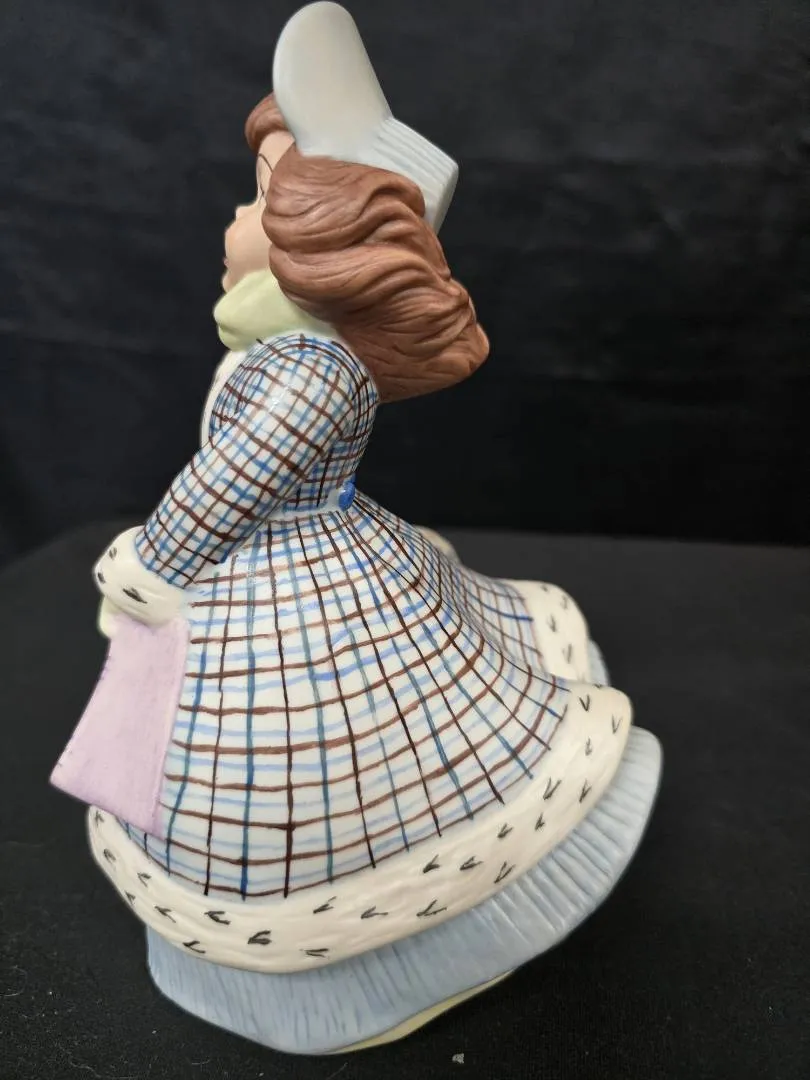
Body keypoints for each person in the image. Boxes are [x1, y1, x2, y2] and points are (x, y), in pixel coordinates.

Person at [52, 2, 661, 1054]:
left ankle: (374, 923)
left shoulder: (311, 370)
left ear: (318, 236)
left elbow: (225, 487)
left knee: (309, 744)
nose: (234, 217)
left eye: (257, 197)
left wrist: (146, 566)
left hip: (290, 584)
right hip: (260, 570)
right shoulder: (280, 347)